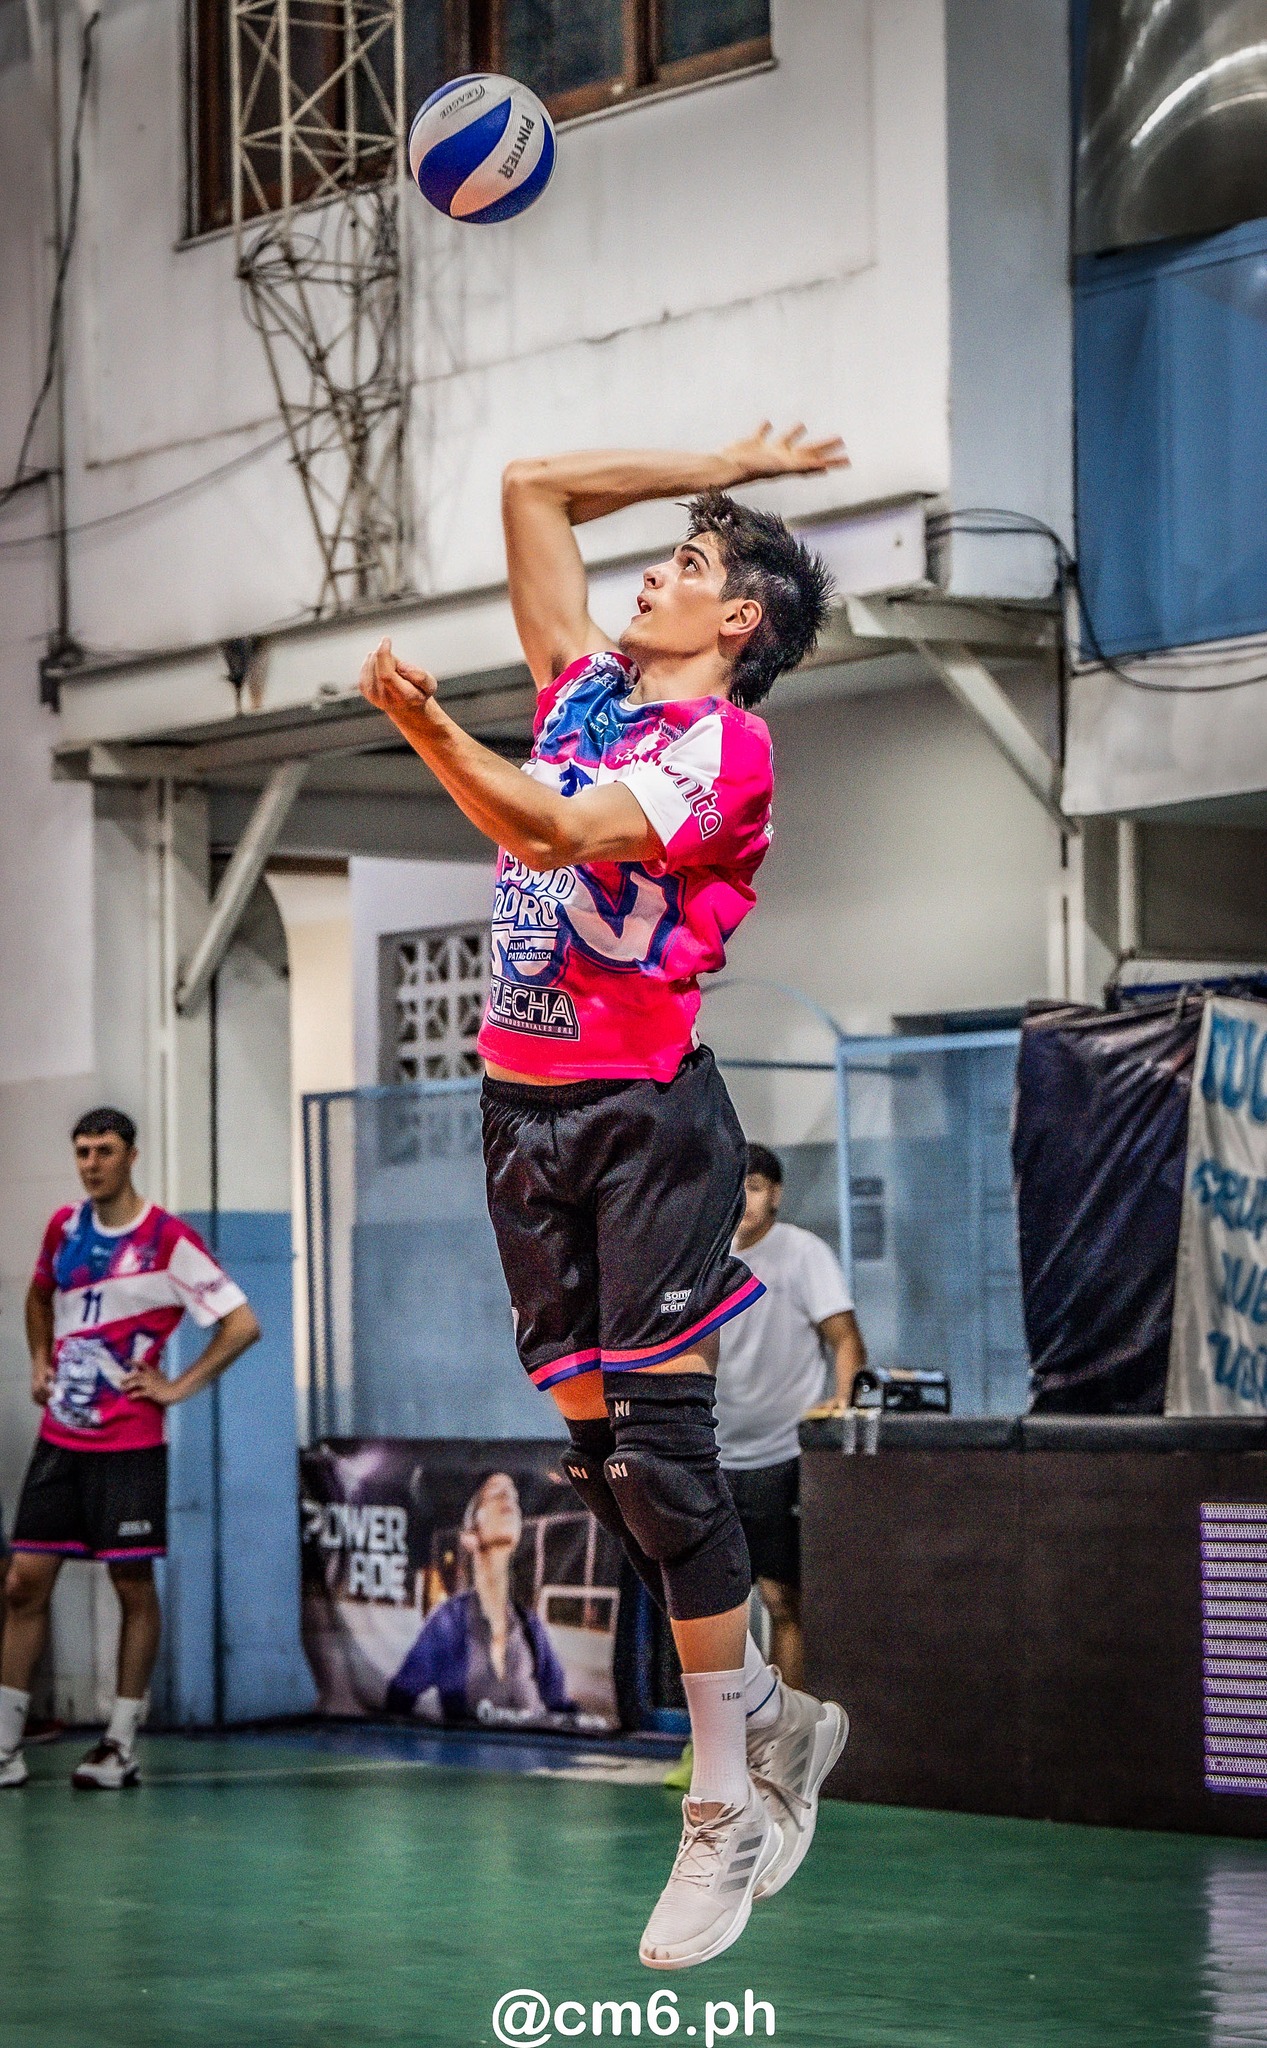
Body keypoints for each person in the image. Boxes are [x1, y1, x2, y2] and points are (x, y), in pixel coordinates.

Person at [358, 422, 851, 1971]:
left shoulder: (724, 749)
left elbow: (550, 829)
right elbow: (529, 489)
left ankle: (723, 1806)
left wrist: (429, 734)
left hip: (645, 1123)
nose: (656, 572)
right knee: (602, 1470)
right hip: (520, 1115)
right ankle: (774, 1714)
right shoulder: (583, 690)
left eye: (691, 565)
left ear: (739, 625)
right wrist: (715, 460)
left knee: (664, 1459)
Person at [0, 1107, 260, 1790]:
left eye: (104, 1150)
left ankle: (118, 1744)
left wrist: (177, 1386)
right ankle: (5, 1747)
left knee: (131, 1584)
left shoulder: (168, 1241)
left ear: (131, 1156)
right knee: (22, 1584)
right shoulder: (65, 1227)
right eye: (82, 1150)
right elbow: (37, 1295)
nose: (91, 1163)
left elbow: (242, 1323)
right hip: (61, 1438)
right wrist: (37, 1361)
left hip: (130, 1445)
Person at [718, 1143, 866, 1690]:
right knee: (712, 1616)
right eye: (736, 1186)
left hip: (782, 1459)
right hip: (714, 1461)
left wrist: (841, 1401)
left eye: (755, 1187)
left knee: (783, 1602)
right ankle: (718, 1741)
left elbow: (847, 1341)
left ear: (775, 1194)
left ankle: (787, 1745)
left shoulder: (804, 1254)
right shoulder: (700, 1259)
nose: (744, 1199)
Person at [385, 1471, 577, 1726]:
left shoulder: (530, 1628)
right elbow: (398, 1700)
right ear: (470, 1536)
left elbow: (564, 1710)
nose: (509, 1501)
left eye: (514, 1498)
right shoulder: (449, 1622)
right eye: (497, 1495)